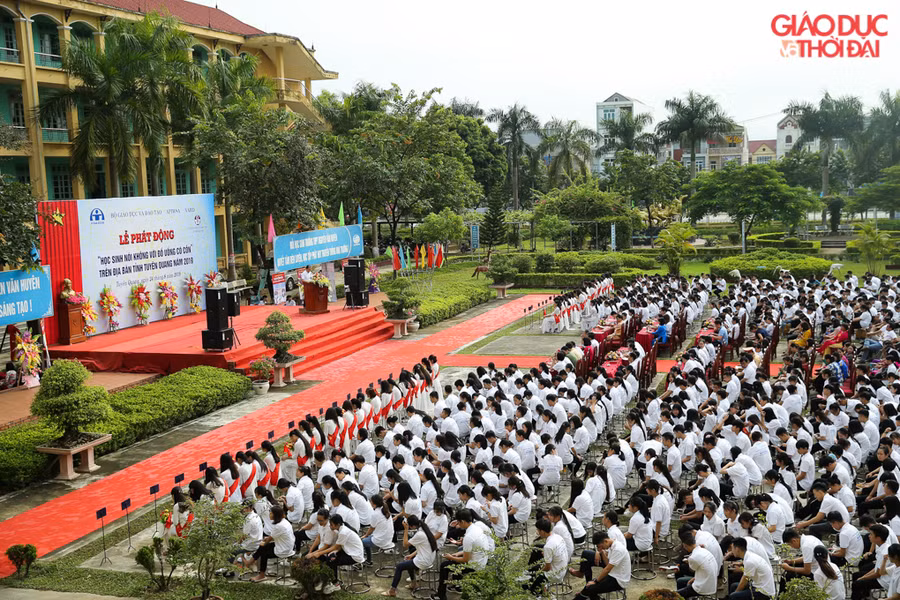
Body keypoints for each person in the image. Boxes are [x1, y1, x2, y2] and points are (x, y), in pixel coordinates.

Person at [436, 509, 494, 600]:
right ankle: (456, 584)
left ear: (462, 521)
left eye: (458, 522)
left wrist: (451, 557)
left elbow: (465, 560)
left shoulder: (469, 536)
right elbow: (472, 549)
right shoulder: (476, 528)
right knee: (454, 559)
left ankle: (441, 595)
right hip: (481, 560)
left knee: (444, 566)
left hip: (475, 566)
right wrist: (457, 554)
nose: (458, 525)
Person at [381, 515, 438, 597]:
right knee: (408, 562)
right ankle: (414, 583)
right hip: (428, 558)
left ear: (412, 526)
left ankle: (392, 590)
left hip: (424, 561)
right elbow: (422, 547)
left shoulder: (420, 534)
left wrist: (406, 529)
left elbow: (405, 544)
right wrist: (411, 555)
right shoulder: (425, 530)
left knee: (399, 567)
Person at [572, 531, 631, 600]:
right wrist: (602, 552)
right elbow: (607, 563)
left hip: (619, 580)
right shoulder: (612, 546)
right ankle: (584, 596)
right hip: (613, 575)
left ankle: (581, 596)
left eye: (599, 546)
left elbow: (607, 569)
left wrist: (595, 581)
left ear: (605, 541)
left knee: (590, 588)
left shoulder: (618, 549)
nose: (600, 548)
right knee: (589, 586)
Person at [246, 505, 295, 583]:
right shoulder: (284, 521)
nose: (269, 515)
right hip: (287, 545)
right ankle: (251, 562)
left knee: (263, 552)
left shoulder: (279, 526)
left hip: (284, 550)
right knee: (263, 547)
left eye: (271, 513)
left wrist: (263, 542)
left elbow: (269, 540)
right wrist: (265, 541)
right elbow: (273, 537)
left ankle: (260, 573)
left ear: (275, 515)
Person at [676, 528, 719, 599]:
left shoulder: (693, 557)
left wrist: (689, 561)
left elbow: (692, 570)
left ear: (685, 545)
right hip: (711, 584)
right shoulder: (703, 550)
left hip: (702, 588)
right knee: (680, 581)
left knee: (676, 595)